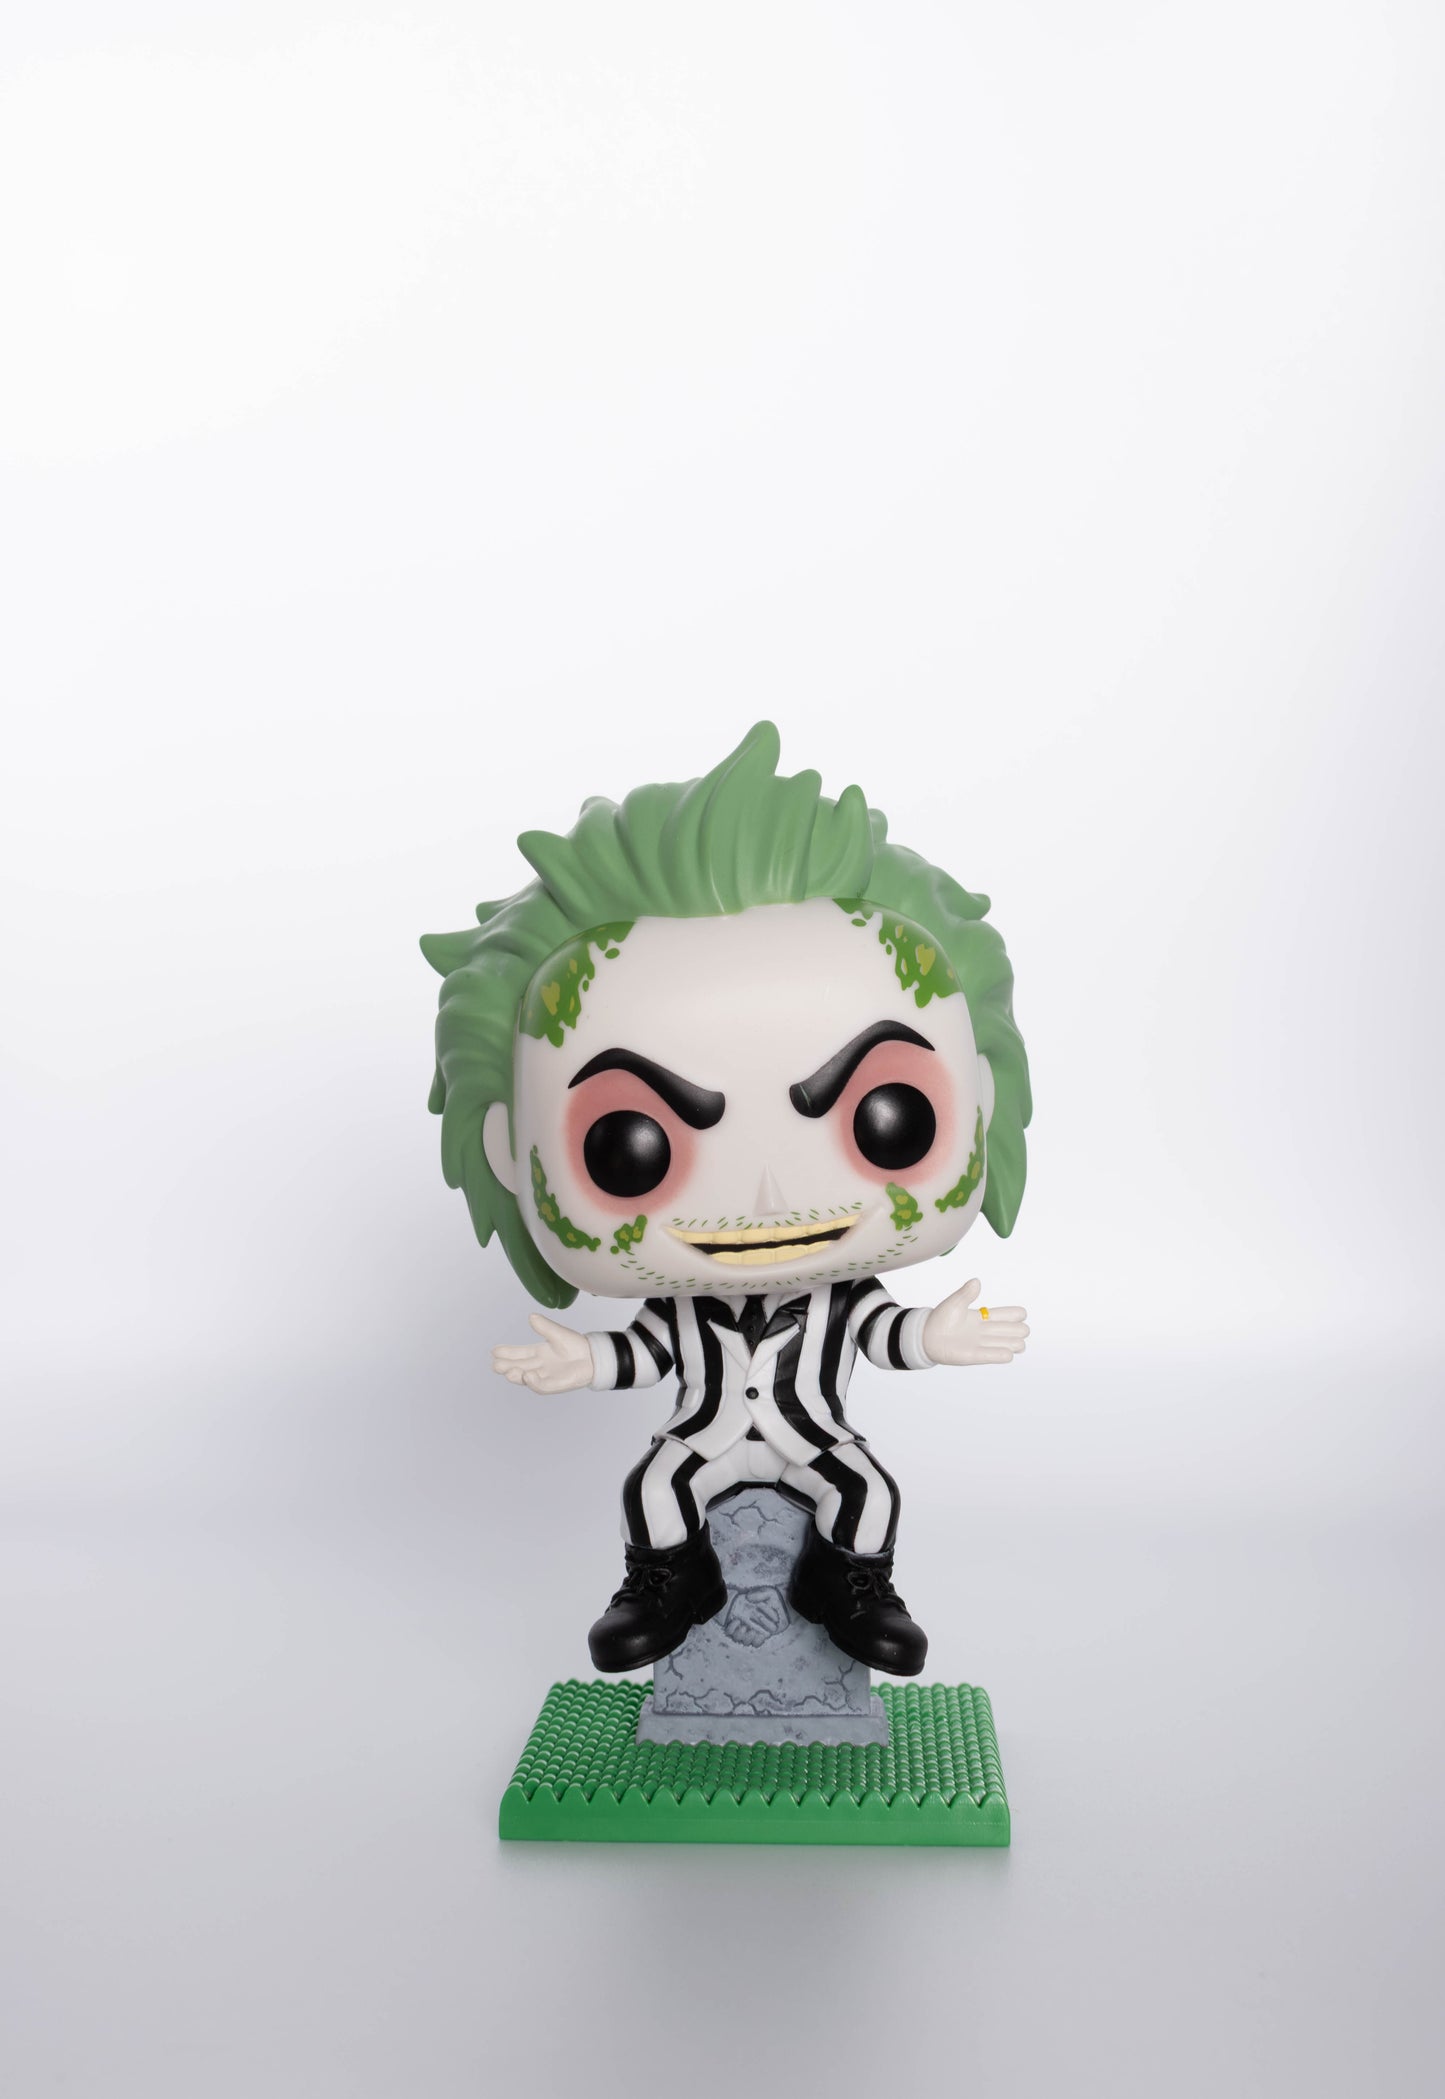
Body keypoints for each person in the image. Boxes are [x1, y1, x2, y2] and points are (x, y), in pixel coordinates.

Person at [423, 722, 1030, 1674]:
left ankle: (854, 1581)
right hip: (702, 1438)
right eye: (632, 1146)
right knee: (653, 1484)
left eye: (887, 1118)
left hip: (811, 1437)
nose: (766, 1191)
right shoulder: (682, 1306)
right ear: (510, 1149)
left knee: (868, 1490)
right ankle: (667, 1577)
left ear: (978, 1101)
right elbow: (647, 1350)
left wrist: (934, 1337)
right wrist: (583, 1359)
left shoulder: (837, 1297)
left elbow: (879, 1332)